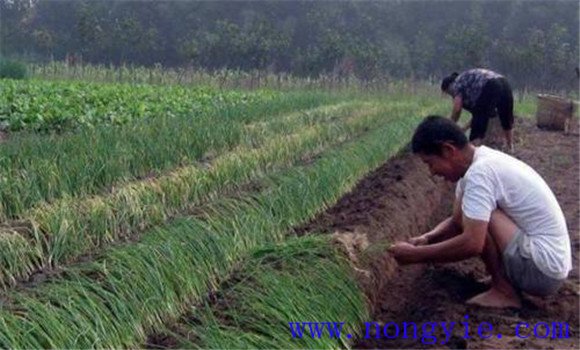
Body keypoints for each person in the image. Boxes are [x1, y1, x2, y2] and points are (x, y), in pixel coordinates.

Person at [388, 116, 571, 308]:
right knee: (474, 213)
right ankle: (501, 280)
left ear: (448, 150)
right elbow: (457, 220)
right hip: (544, 263)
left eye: (430, 163)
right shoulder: (477, 164)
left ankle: (504, 291)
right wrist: (427, 238)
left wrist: (417, 256)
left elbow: (472, 243)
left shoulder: (480, 173)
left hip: (543, 271)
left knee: (481, 217)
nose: (432, 172)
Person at [441, 68, 514, 152]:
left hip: (490, 85)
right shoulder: (468, 82)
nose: (452, 96)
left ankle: (473, 152)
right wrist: (464, 128)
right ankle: (510, 148)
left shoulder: (457, 83)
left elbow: (457, 109)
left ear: (449, 86)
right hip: (504, 83)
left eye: (449, 92)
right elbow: (477, 114)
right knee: (506, 117)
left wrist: (450, 126)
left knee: (478, 130)